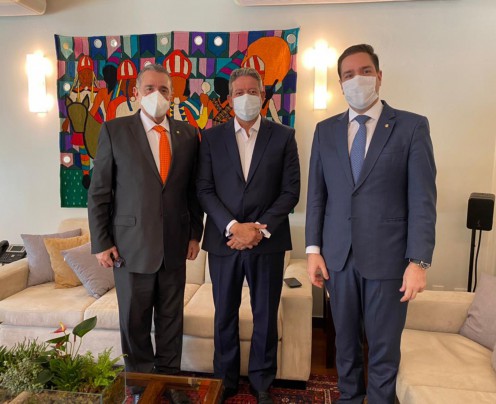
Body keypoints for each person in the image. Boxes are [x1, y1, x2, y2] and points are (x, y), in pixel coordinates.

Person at [305, 44, 436, 404]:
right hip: (338, 259)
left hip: (389, 261)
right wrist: (313, 250)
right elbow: (317, 195)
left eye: (364, 71)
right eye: (348, 75)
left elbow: (423, 200)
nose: (357, 79)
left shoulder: (411, 127)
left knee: (383, 350)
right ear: (340, 83)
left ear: (379, 76)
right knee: (344, 346)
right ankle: (349, 398)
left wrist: (418, 262)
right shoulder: (325, 130)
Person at [88, 63, 203, 404]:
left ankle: (169, 383)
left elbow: (193, 191)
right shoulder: (114, 130)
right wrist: (102, 242)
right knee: (135, 323)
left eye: (163, 89)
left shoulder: (187, 135)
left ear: (173, 95)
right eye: (149, 88)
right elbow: (99, 192)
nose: (157, 95)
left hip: (174, 246)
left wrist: (195, 234)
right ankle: (139, 388)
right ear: (136, 93)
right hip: (130, 248)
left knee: (171, 322)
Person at [197, 67, 300, 404]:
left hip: (267, 242)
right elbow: (204, 189)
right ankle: (224, 380)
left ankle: (261, 382)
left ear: (263, 96)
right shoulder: (211, 138)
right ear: (229, 99)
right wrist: (233, 227)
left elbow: (290, 192)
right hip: (224, 241)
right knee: (224, 314)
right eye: (239, 92)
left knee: (265, 315)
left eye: (252, 92)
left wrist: (258, 229)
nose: (246, 98)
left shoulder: (284, 136)